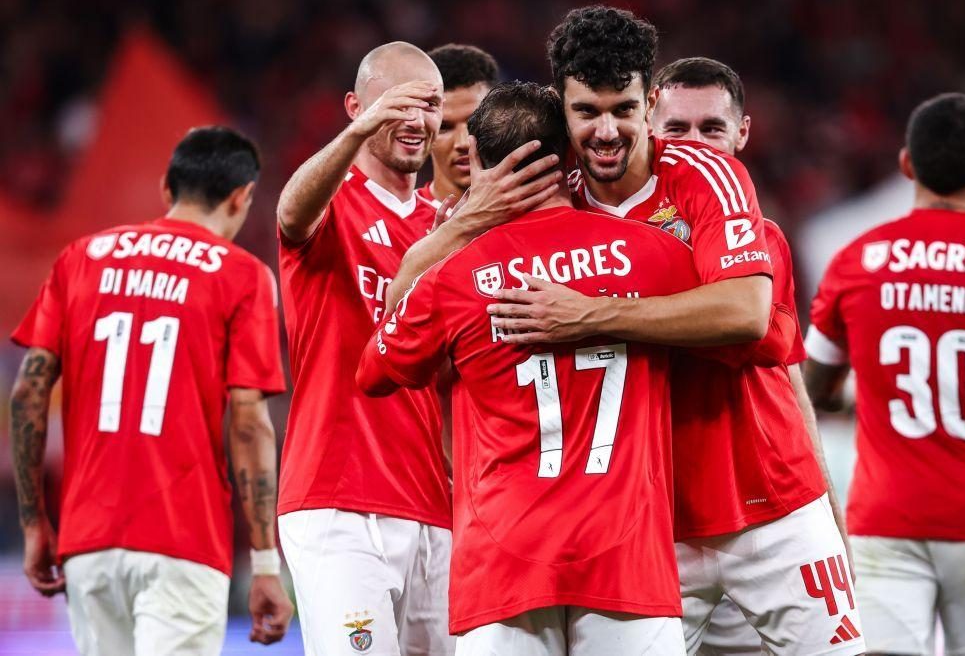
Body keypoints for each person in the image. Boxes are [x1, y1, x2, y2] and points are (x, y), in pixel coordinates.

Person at [486, 6, 863, 654]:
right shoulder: (546, 195)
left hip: (770, 504)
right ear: (561, 105)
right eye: (586, 112)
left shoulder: (708, 177)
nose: (606, 131)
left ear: (648, 100)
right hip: (642, 523)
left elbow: (747, 317)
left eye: (623, 109)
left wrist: (590, 315)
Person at [358, 80, 701, 656]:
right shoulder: (655, 253)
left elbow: (374, 371)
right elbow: (738, 321)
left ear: (486, 168)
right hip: (626, 558)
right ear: (568, 155)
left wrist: (458, 226)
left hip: (503, 560)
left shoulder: (455, 277)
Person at [9, 126, 293, 655]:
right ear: (242, 198)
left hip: (87, 541)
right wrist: (263, 563)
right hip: (183, 542)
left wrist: (34, 525)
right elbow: (250, 422)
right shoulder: (243, 276)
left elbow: (27, 392)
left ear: (167, 188)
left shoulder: (81, 258)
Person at [652, 56, 851, 655]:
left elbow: (779, 365)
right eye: (676, 130)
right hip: (663, 529)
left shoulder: (764, 238)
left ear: (742, 133)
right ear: (648, 132)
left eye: (711, 129)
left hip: (774, 514)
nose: (695, 146)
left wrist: (830, 517)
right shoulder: (610, 241)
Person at [805, 93, 965, 655]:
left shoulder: (856, 260)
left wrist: (864, 391)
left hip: (886, 515)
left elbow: (812, 390)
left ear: (906, 165)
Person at [274, 41, 455, 656]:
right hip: (339, 500)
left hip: (435, 502)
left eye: (429, 105)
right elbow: (290, 216)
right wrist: (359, 135)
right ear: (355, 106)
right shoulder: (333, 199)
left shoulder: (444, 225)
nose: (415, 119)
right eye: (395, 103)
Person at [418, 44, 499, 208]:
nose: (463, 143)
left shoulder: (537, 213)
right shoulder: (393, 224)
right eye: (444, 127)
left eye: (476, 122)